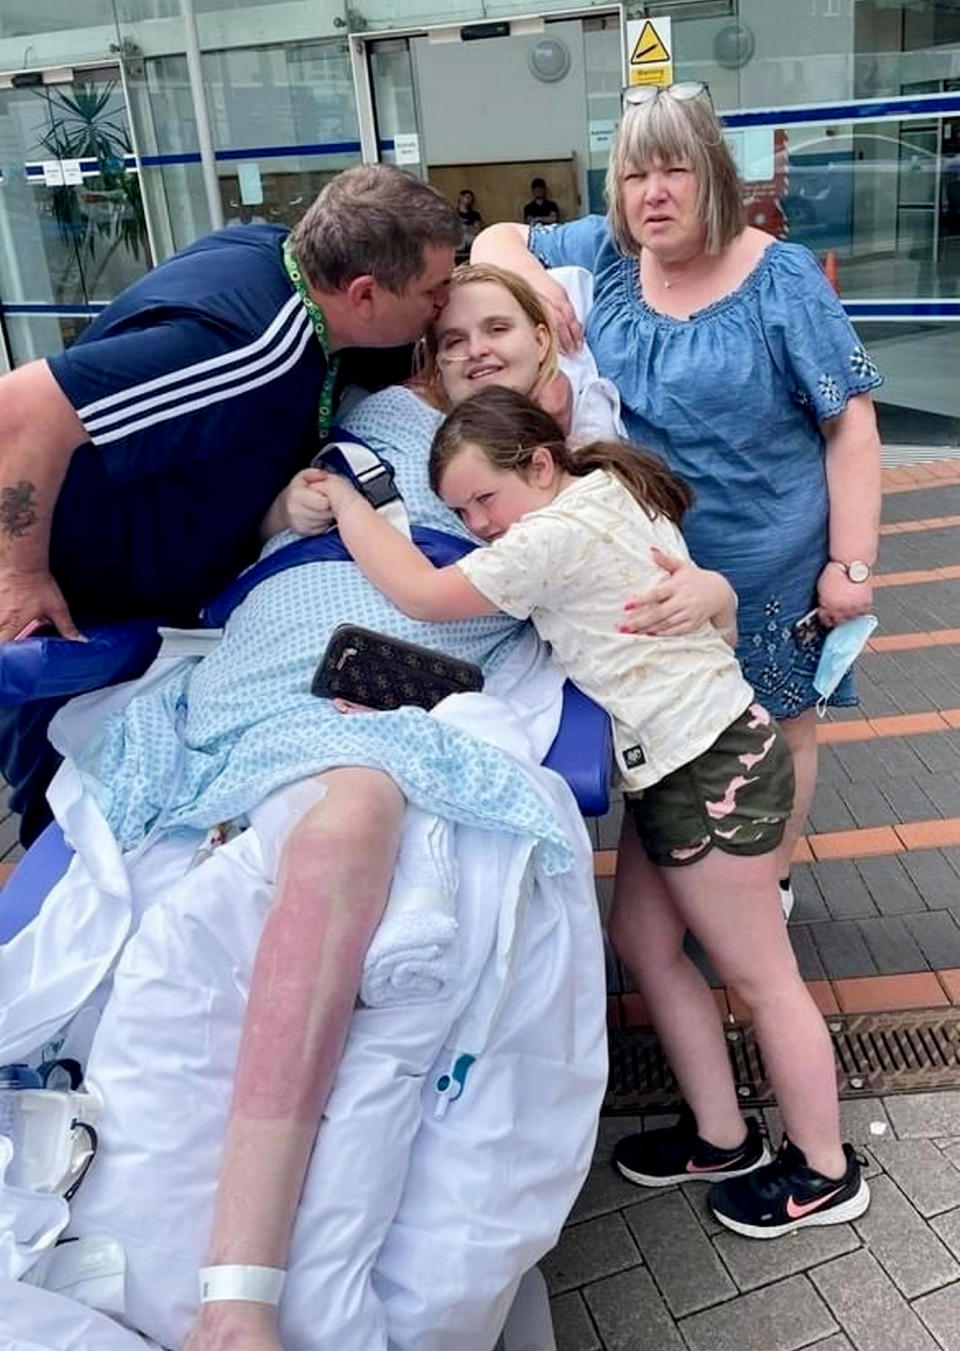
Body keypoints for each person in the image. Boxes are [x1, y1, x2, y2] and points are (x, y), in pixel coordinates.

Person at [58, 266, 731, 1351]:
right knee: (208, 882)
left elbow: (659, 563)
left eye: (498, 329)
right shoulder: (374, 416)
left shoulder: (571, 457)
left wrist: (714, 593)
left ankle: (240, 1286)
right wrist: (293, 503)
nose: (471, 347)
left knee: (344, 828)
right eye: (450, 333)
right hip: (282, 633)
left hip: (403, 659)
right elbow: (267, 517)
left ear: (547, 359)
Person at [316, 384, 870, 1240]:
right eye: (461, 510)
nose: (478, 524)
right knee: (644, 943)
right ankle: (721, 1137)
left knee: (764, 978)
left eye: (484, 499)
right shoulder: (606, 487)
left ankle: (826, 1169)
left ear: (540, 463)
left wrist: (346, 496)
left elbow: (420, 595)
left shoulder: (550, 534)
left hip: (709, 766)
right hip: (698, 755)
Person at [473, 82, 884, 921]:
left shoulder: (784, 280)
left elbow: (852, 426)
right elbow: (496, 236)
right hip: (654, 574)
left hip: (774, 573)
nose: (651, 193)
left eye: (672, 170)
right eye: (633, 175)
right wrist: (531, 279)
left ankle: (766, 882)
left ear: (712, 174)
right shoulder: (609, 258)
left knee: (780, 729)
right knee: (669, 732)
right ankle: (695, 883)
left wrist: (852, 563)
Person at [0, 164, 460, 845]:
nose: (442, 305)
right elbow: (24, 406)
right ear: (363, 294)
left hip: (157, 596)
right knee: (68, 816)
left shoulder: (285, 257)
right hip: (79, 608)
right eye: (433, 292)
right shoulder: (250, 349)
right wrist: (20, 573)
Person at [455, 188, 483, 261]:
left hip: (470, 237)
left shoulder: (474, 215)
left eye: (471, 198)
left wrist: (465, 228)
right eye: (467, 197)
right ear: (461, 197)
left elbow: (477, 230)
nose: (469, 200)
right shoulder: (453, 213)